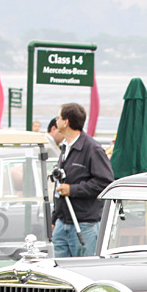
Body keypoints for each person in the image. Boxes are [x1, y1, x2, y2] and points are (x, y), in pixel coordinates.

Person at [52, 102, 114, 257]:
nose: (56, 121)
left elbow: (105, 183)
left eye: (58, 118)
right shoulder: (65, 147)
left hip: (84, 224)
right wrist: (54, 219)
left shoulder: (92, 148)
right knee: (60, 273)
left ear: (66, 122)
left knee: (82, 271)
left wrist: (72, 190)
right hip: (62, 222)